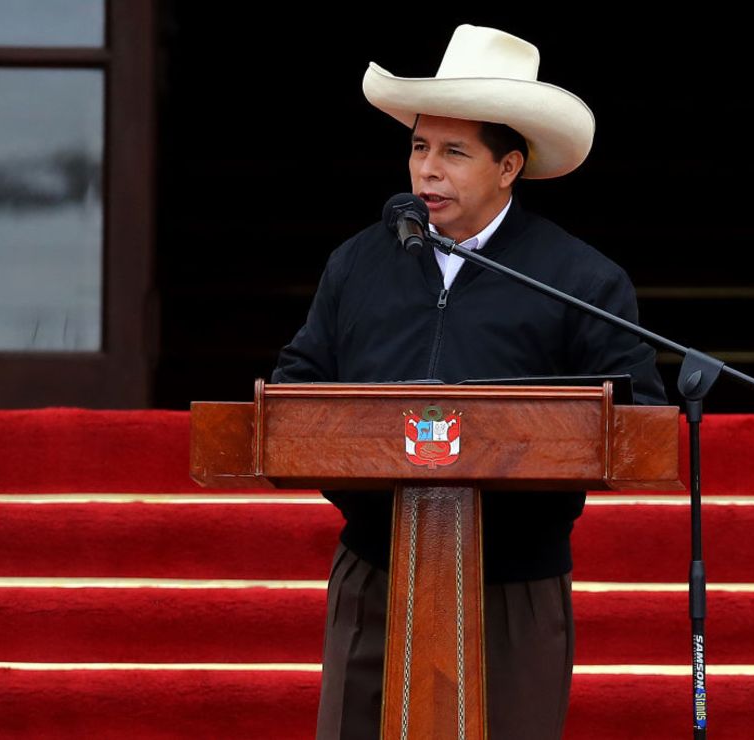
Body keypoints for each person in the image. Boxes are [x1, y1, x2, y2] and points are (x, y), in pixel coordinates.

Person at [271, 24, 666, 740]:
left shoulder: (579, 279)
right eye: (420, 147)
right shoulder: (359, 263)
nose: (427, 172)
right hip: (376, 570)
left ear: (509, 166)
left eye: (455, 152)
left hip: (512, 583)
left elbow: (636, 417)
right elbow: (297, 388)